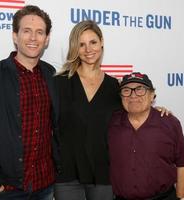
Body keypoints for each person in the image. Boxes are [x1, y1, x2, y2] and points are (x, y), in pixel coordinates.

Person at [54, 20, 169, 200]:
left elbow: (132, 113)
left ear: (101, 42)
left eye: (93, 42)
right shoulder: (59, 83)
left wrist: (155, 111)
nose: (88, 49)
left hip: (104, 175)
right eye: (81, 44)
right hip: (67, 176)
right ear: (75, 48)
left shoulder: (115, 86)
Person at [0, 5, 58, 200]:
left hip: (45, 185)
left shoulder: (52, 76)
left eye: (39, 32)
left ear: (47, 38)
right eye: (26, 31)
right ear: (15, 36)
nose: (33, 38)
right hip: (6, 190)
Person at [108, 72, 184, 200]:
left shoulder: (169, 123)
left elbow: (183, 164)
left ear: (152, 95)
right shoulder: (110, 123)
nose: (133, 95)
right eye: (126, 90)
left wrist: (182, 198)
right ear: (121, 97)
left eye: (140, 90)